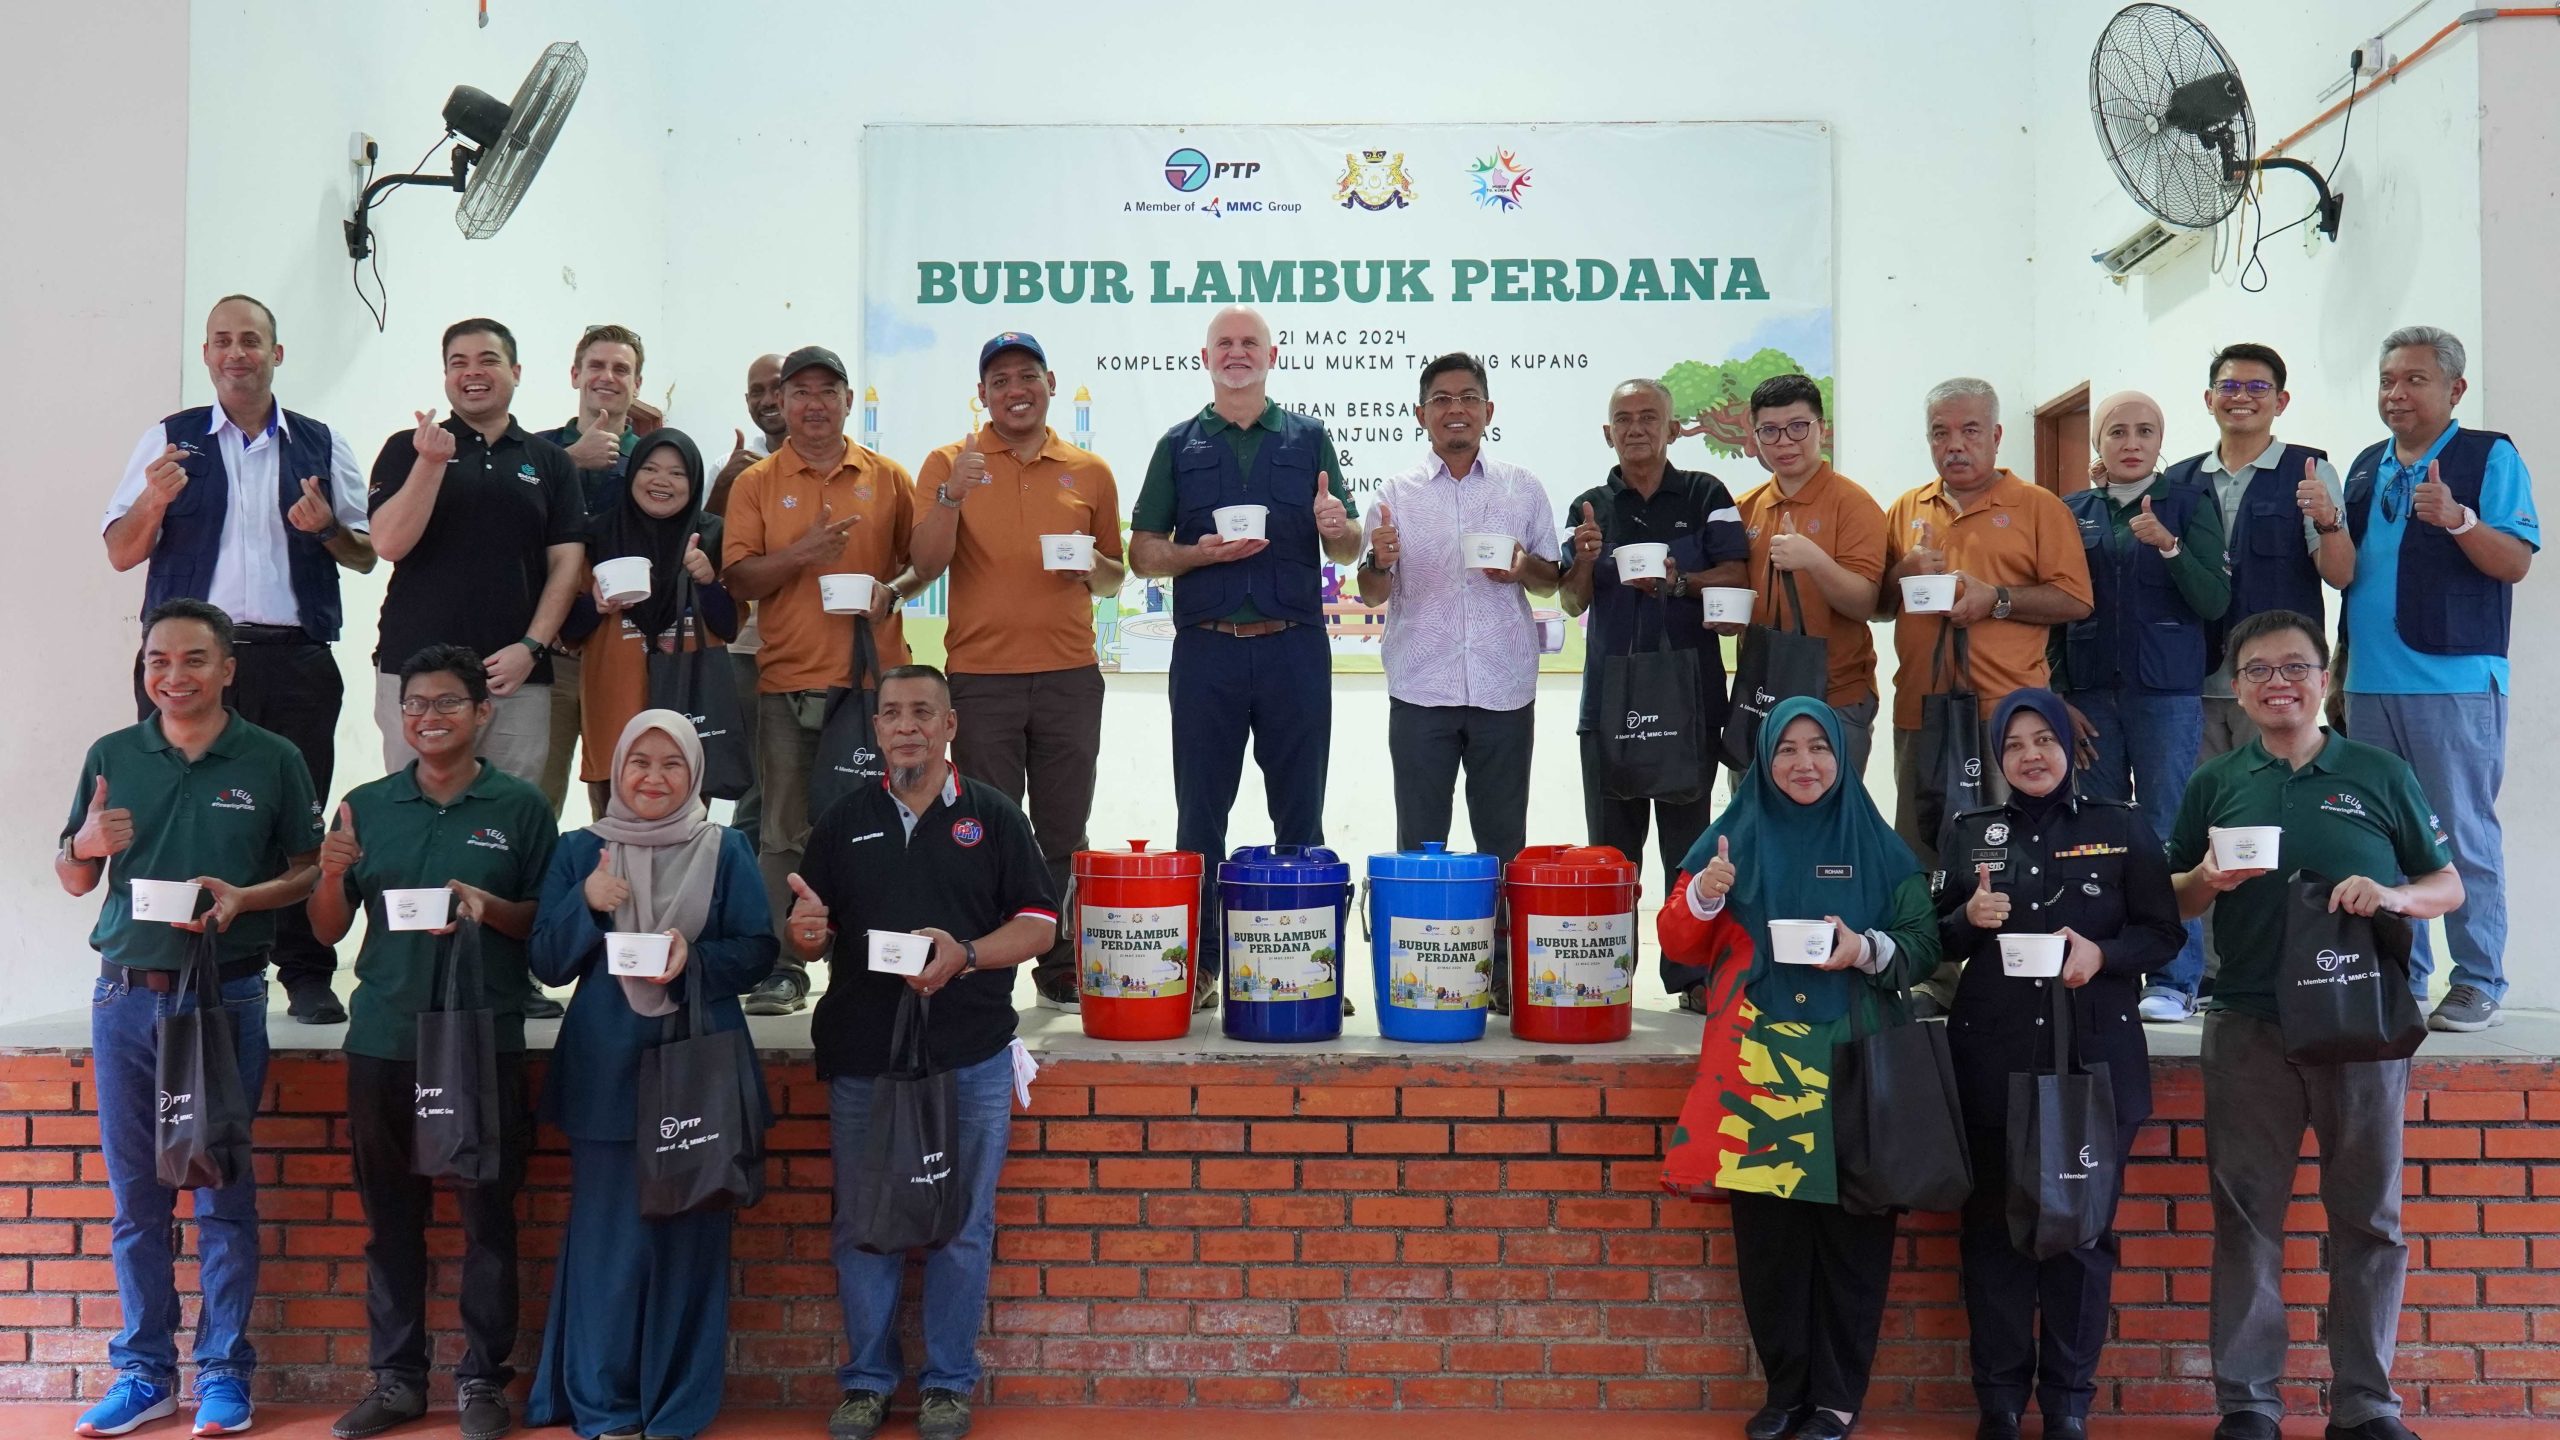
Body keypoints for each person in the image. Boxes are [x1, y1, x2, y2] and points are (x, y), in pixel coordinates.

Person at [2168, 610, 2462, 1440]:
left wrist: (2396, 897)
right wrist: (2205, 880)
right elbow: (2171, 894)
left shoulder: (2377, 771)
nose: (2277, 684)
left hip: (2361, 1026)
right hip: (2248, 1024)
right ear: (2237, 687)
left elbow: (2448, 884)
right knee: (2247, 1218)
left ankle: (2367, 1405)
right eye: (2257, 671)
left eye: (2293, 666)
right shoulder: (2214, 781)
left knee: (2370, 1220)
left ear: (2323, 679)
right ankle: (2249, 1405)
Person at [57, 599, 322, 1440]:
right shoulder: (112, 755)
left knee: (220, 1196)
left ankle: (223, 1373)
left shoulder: (273, 758)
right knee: (138, 1200)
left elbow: (310, 873)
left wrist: (247, 899)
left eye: (194, 660)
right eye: (157, 661)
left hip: (225, 995)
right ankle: (143, 1373)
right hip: (124, 996)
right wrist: (86, 845)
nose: (173, 676)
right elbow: (70, 878)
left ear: (228, 668)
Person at [779, 667, 1058, 1440]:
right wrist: (803, 936)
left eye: (921, 713)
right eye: (892, 713)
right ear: (876, 730)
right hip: (865, 1057)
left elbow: (1040, 926)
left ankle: (947, 1383)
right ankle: (867, 1382)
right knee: (865, 1221)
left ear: (949, 726)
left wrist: (965, 953)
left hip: (969, 1054)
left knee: (962, 1222)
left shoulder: (995, 817)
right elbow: (812, 929)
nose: (906, 726)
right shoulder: (843, 821)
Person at [1656, 698, 1939, 1440]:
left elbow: (1924, 941)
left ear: (1844, 760)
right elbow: (1678, 943)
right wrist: (1706, 894)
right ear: (1764, 760)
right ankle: (1786, 1394)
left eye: (1820, 748)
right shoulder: (1729, 839)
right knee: (1772, 1251)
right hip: (1761, 1067)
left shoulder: (1878, 845)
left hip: (1855, 1062)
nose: (1804, 763)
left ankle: (1838, 1399)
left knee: (1852, 1243)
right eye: (1787, 749)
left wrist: (1867, 949)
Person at [102, 294, 374, 1026]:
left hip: (294, 659)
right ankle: (154, 956)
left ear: (276, 354)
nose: (236, 353)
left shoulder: (320, 442)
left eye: (250, 340)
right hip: (187, 663)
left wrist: (325, 533)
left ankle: (306, 973)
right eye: (222, 340)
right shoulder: (169, 439)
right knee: (168, 808)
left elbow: (366, 553)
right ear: (206, 354)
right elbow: (121, 549)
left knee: (297, 813)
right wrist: (154, 504)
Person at [307, 645, 557, 1440]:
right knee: (392, 1217)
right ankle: (398, 1379)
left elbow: (545, 935)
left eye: (447, 704)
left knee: (487, 1214)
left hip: (484, 1035)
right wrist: (327, 873)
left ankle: (484, 1383)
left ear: (483, 714)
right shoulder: (365, 805)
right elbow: (329, 927)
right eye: (415, 704)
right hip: (383, 1036)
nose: (428, 718)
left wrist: (493, 906)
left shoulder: (518, 808)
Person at [1937, 688, 2182, 1440]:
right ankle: (2001, 1402)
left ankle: (2068, 1403)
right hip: (1994, 1063)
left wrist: (2104, 955)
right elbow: (1937, 938)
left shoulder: (2121, 825)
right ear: (1997, 758)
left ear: (2070, 749)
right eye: (2014, 744)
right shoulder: (1969, 830)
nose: (2031, 755)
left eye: (2044, 739)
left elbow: (2163, 934)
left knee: (2082, 1237)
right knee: (1994, 1234)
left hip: (2094, 1064)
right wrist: (1965, 919)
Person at [524, 710, 776, 1440]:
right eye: (640, 762)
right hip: (607, 1075)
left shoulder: (724, 849)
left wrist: (690, 959)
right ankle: (606, 1408)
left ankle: (674, 1408)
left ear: (695, 772)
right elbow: (545, 960)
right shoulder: (582, 851)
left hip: (700, 1071)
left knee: (691, 1249)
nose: (655, 778)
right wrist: (587, 906)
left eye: (672, 764)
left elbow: (757, 950)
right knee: (612, 1249)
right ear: (617, 771)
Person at [1127, 306, 1361, 1009]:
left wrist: (1337, 526)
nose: (1237, 353)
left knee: (1302, 815)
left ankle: (1310, 967)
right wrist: (1193, 555)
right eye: (1224, 344)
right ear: (1206, 359)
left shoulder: (1309, 438)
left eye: (1249, 343)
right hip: (1207, 654)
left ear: (1273, 355)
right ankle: (1200, 970)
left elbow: (1348, 545)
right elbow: (1142, 552)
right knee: (1200, 818)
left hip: (1294, 650)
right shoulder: (1178, 445)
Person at [909, 332, 1125, 1013]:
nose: (1014, 390)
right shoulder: (950, 462)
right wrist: (950, 495)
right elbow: (925, 565)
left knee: (1063, 828)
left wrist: (1091, 565)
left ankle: (1060, 960)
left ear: (1050, 382)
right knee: (987, 828)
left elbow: (1115, 577)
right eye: (999, 381)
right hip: (981, 677)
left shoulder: (1089, 470)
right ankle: (989, 958)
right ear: (982, 396)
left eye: (1026, 376)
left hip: (1069, 675)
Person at [2339, 326, 2537, 1033]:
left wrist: (2458, 521)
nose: (2397, 393)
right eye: (2389, 379)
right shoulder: (2365, 465)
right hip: (2368, 684)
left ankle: (2479, 978)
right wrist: (2339, 672)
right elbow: (2350, 575)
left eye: (2415, 379)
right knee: (2380, 838)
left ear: (2454, 390)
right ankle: (2403, 975)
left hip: (2453, 681)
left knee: (2459, 834)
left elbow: (2514, 562)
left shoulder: (2489, 455)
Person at [1881, 379, 2092, 1017]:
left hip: (2010, 720)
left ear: (1996, 436)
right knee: (1926, 856)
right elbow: (1882, 605)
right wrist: (1901, 576)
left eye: (1970, 430)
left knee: (2012, 855)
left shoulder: (2035, 506)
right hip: (1922, 711)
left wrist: (1995, 598)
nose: (1955, 445)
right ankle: (1933, 980)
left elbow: (2076, 599)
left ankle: (2016, 982)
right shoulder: (1906, 508)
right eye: (1941, 433)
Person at [721, 344, 921, 1017]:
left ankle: (869, 962)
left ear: (845, 399)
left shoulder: (888, 476)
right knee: (782, 830)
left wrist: (891, 591)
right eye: (797, 392)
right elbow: (739, 578)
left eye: (825, 391)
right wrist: (804, 554)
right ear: (782, 404)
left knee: (875, 826)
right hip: (784, 681)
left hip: (872, 688)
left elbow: (922, 564)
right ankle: (786, 964)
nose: (811, 404)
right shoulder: (756, 482)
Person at [2154, 343, 2352, 1022]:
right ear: (2209, 398)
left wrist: (2325, 516)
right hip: (2196, 682)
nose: (2241, 396)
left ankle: (2289, 968)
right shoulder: (2178, 479)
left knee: (2282, 824)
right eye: (2228, 385)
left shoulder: (2306, 468)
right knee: (2206, 833)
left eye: (2257, 387)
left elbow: (2342, 573)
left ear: (2281, 400)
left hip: (2278, 690)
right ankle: (2201, 978)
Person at [1356, 351, 1559, 1011]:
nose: (1456, 410)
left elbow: (1553, 577)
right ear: (1421, 415)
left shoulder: (1523, 488)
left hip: (1504, 685)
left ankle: (1500, 976)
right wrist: (1378, 563)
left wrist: (1522, 565)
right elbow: (1370, 592)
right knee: (1421, 838)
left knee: (1503, 838)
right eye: (1441, 399)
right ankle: (1424, 971)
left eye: (1468, 397)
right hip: (1421, 686)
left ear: (1488, 412)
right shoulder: (1394, 493)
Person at [2048, 392, 2227, 1027]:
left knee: (2166, 828)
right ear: (2098, 444)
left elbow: (2214, 599)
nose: (2131, 442)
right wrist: (2060, 696)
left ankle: (2176, 978)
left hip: (2166, 695)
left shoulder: (2188, 503)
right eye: (2117, 431)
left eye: (2145, 431)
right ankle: (2102, 963)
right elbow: (2057, 609)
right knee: (2094, 830)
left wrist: (2171, 547)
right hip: (2091, 696)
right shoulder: (2071, 512)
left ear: (2161, 440)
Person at [367, 318, 586, 788]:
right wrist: (430, 463)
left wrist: (531, 647)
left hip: (515, 674)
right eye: (457, 363)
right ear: (445, 376)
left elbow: (566, 565)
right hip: (414, 669)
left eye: (488, 360)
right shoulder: (407, 448)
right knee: (416, 806)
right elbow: (388, 543)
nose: (472, 372)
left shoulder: (549, 461)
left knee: (509, 816)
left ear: (516, 370)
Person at [1560, 377, 1749, 900]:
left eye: (1648, 417)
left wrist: (1678, 583)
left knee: (1688, 856)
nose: (1635, 428)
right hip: (1608, 705)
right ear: (1607, 433)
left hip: (1690, 700)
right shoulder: (1588, 509)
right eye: (1623, 419)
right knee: (1612, 861)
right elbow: (1572, 602)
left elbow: (1737, 573)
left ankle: (1688, 979)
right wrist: (1584, 559)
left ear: (1671, 429)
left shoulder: (1706, 492)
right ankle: (1607, 979)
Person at [565, 428, 737, 817]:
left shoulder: (712, 534)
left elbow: (729, 626)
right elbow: (569, 630)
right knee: (614, 827)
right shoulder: (598, 532)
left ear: (694, 483)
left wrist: (707, 582)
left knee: (687, 831)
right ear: (632, 474)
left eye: (678, 473)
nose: (662, 481)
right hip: (616, 700)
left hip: (690, 703)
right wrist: (596, 605)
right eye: (650, 469)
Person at [1733, 373, 1887, 778]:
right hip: (1761, 697)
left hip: (1834, 697)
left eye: (1798, 427)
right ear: (1755, 436)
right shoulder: (1744, 508)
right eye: (1770, 430)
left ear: (1824, 429)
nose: (1785, 441)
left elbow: (1864, 604)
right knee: (1756, 828)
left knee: (1828, 828)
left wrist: (1813, 560)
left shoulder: (1853, 504)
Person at [534, 323, 650, 817]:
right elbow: (504, 520)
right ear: (575, 374)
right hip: (549, 654)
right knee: (537, 796)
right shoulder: (536, 450)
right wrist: (570, 461)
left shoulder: (654, 459)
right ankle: (534, 898)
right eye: (596, 366)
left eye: (621, 369)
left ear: (637, 384)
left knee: (620, 797)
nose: (608, 377)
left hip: (624, 650)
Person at [705, 353, 790, 856]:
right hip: (743, 649)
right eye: (756, 391)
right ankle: (747, 897)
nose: (767, 400)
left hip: (814, 648)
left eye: (777, 387)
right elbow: (698, 555)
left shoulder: (842, 462)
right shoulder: (727, 466)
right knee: (754, 784)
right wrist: (722, 489)